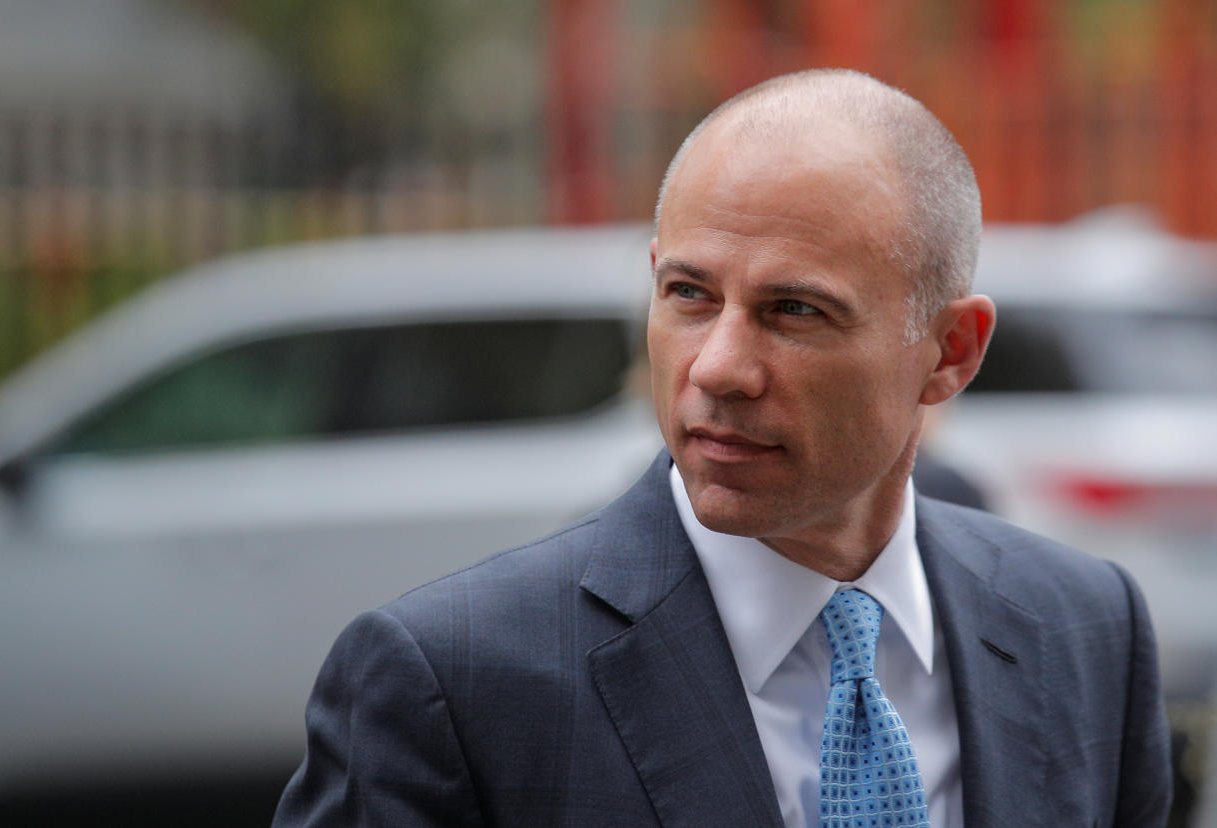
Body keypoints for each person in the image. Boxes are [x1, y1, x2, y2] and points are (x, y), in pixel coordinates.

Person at [273, 69, 1171, 827]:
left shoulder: (1084, 625)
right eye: (690, 295)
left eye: (795, 310)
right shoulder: (452, 683)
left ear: (950, 353)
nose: (720, 368)